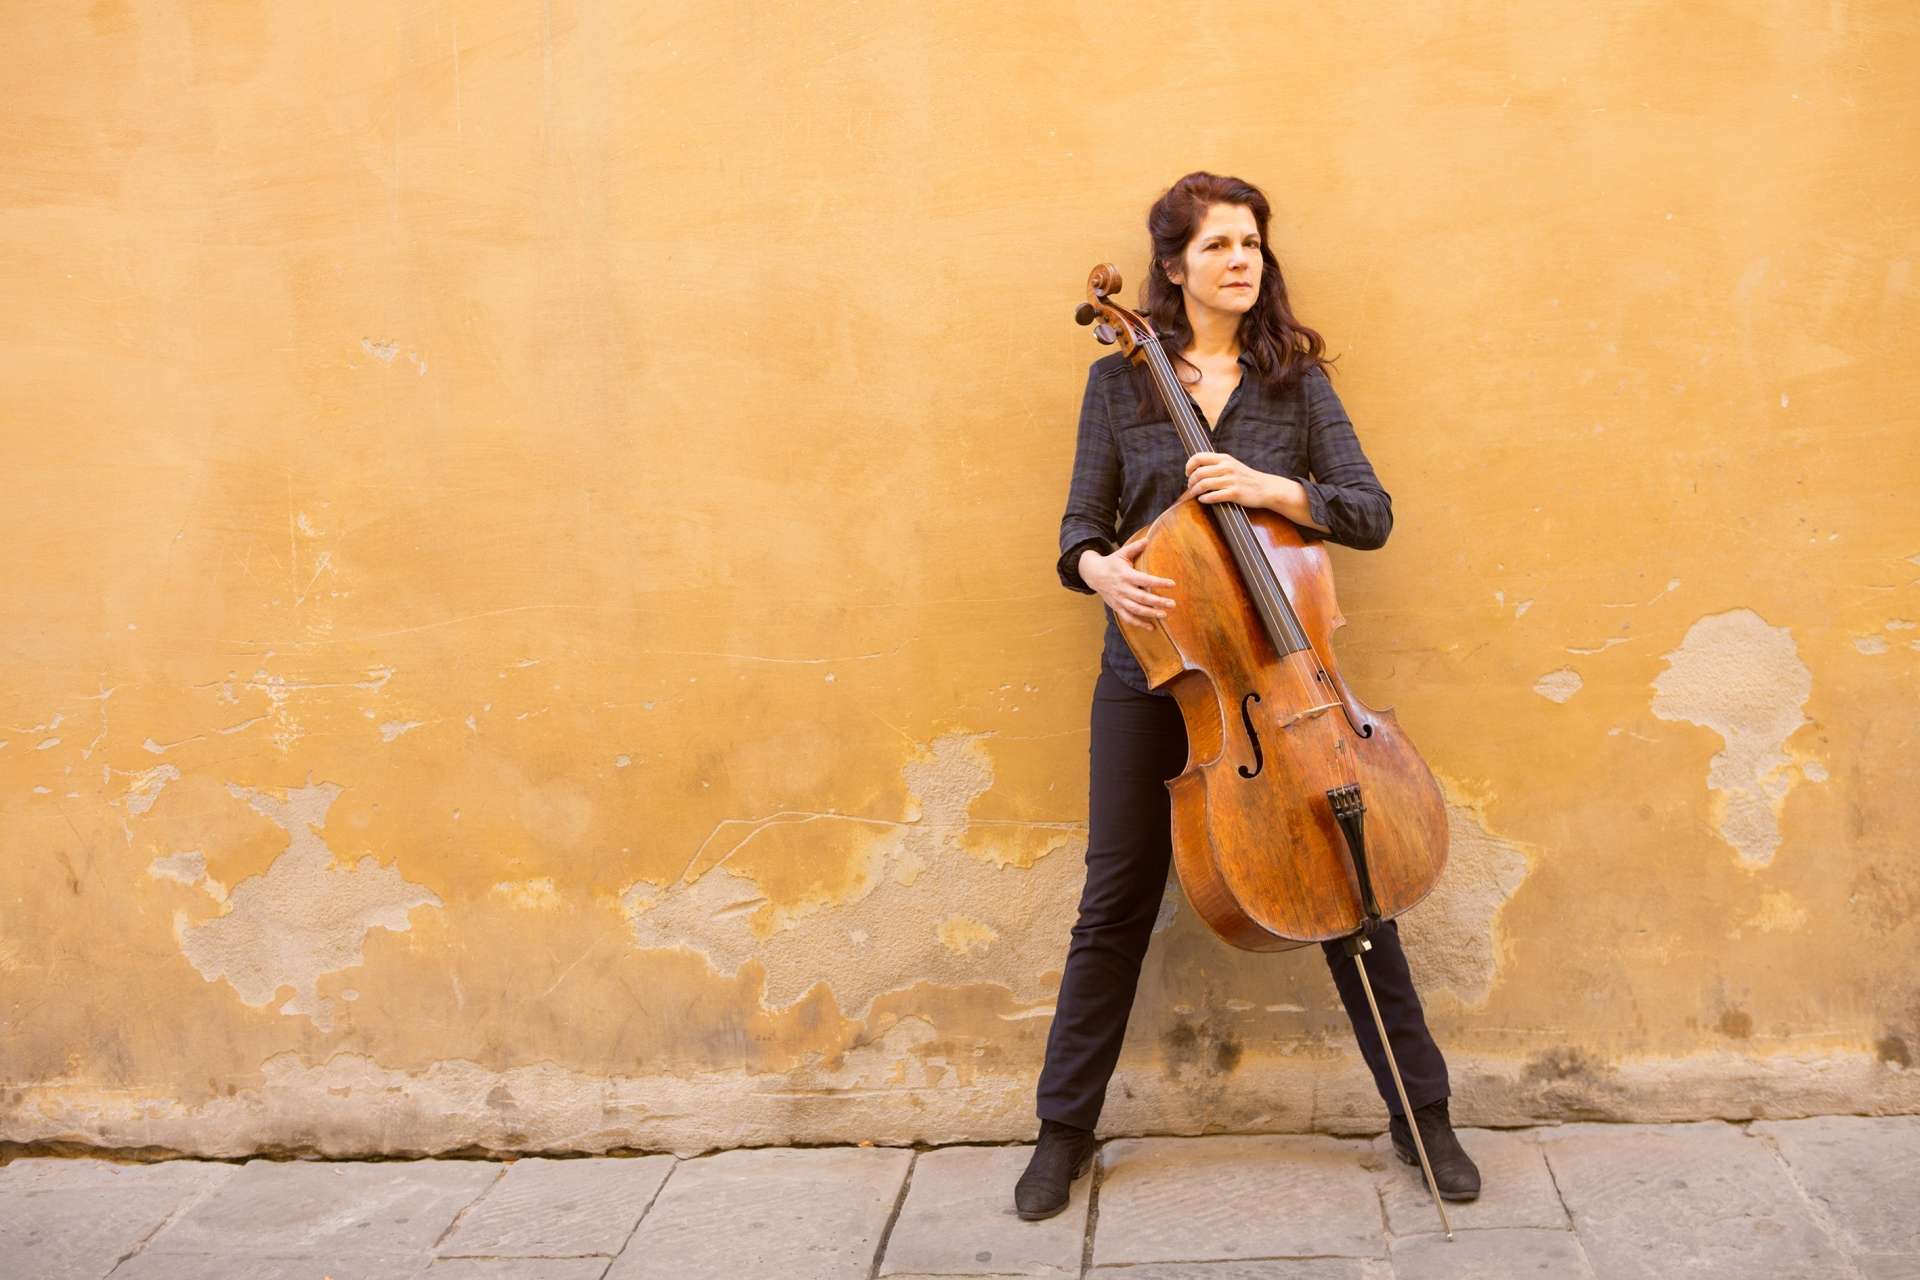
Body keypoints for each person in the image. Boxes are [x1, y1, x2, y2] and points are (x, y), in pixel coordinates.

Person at [1015, 172, 1481, 1222]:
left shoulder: (1295, 383)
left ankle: (1425, 1114)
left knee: (1353, 897)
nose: (1242, 260)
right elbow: (1076, 528)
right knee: (1114, 900)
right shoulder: (1120, 385)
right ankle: (1063, 1132)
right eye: (1220, 244)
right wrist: (1101, 571)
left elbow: (1368, 513)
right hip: (1151, 674)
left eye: (1253, 244)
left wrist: (1272, 488)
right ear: (1171, 268)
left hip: (1286, 688)